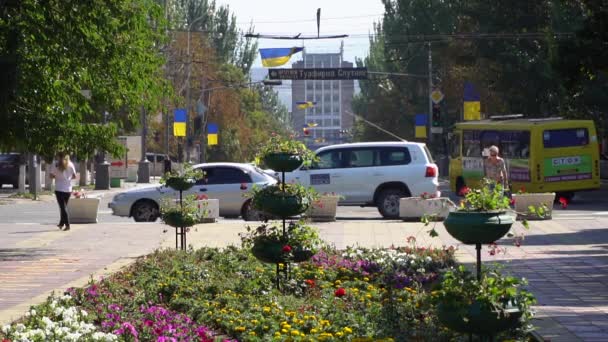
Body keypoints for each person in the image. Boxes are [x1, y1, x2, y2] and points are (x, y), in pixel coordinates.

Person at [50, 152, 77, 231]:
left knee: (62, 207)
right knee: (64, 207)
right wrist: (67, 179)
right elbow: (74, 176)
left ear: (58, 156)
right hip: (68, 189)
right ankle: (61, 223)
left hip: (59, 189)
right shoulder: (71, 164)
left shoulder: (56, 164)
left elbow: (51, 176)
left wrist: (57, 177)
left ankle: (67, 225)